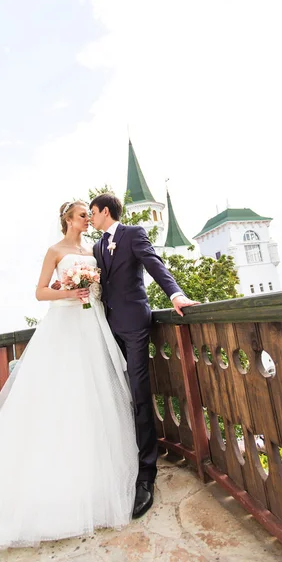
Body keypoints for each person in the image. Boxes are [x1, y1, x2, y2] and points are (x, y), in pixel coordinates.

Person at [0, 201, 139, 561]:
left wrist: (91, 291)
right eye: (82, 213)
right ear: (68, 219)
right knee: (61, 400)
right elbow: (40, 292)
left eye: (88, 213)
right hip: (65, 327)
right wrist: (70, 291)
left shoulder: (92, 250)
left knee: (93, 401)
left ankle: (93, 485)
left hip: (91, 325)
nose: (87, 218)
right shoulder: (55, 251)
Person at [89, 193, 198, 518]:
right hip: (108, 328)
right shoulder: (96, 248)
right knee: (117, 394)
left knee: (138, 393)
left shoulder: (133, 234)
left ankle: (146, 473)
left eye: (93, 213)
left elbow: (155, 265)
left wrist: (176, 294)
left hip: (136, 325)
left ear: (105, 211)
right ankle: (125, 458)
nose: (91, 219)